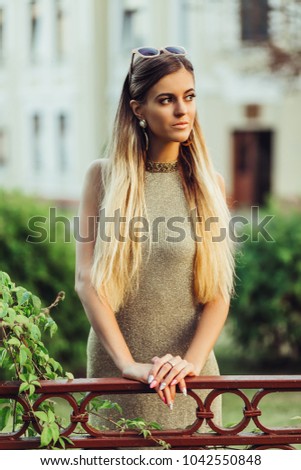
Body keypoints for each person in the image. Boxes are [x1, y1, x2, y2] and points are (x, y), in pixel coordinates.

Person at [75, 46, 236, 432]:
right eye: (166, 100)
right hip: (117, 371)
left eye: (189, 97)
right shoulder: (102, 178)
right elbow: (88, 281)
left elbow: (217, 293)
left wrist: (191, 363)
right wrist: (128, 364)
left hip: (189, 378)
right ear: (138, 109)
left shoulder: (210, 185)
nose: (183, 111)